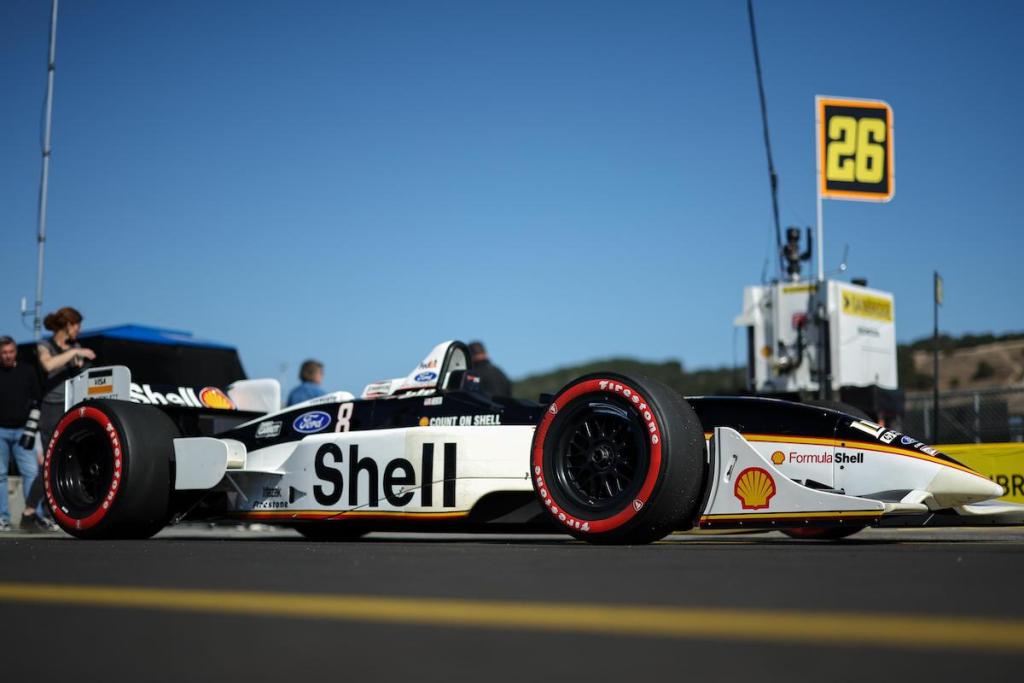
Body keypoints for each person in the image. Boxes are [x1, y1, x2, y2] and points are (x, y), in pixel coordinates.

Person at [20, 307, 95, 531]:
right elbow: (48, 365)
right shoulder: (45, 346)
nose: (78, 331)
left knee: (70, 460)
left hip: (72, 405)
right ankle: (29, 512)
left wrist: (80, 360)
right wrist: (74, 354)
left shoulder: (76, 347)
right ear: (68, 325)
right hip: (51, 409)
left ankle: (64, 510)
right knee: (52, 462)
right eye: (77, 326)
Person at [0, 336, 42, 532]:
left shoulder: (28, 371)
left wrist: (32, 430)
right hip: (0, 432)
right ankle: (3, 518)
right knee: (0, 475)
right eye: (4, 353)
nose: (7, 356)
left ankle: (34, 515)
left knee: (31, 473)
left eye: (10, 352)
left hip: (23, 431)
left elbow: (37, 399)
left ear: (15, 351)